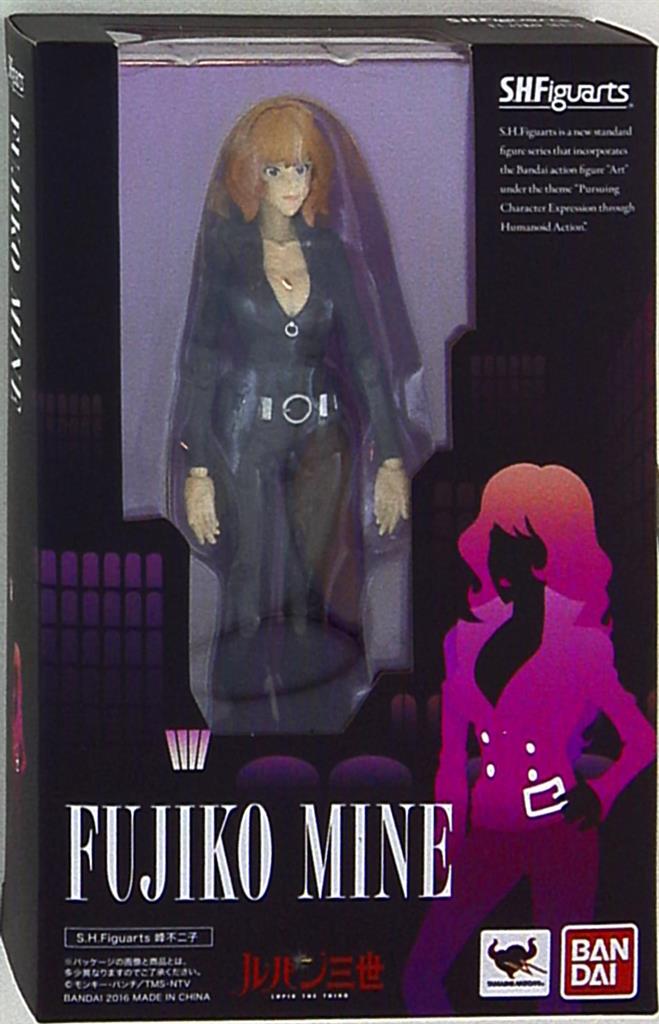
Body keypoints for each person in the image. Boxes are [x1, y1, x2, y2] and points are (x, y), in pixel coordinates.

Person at [172, 98, 419, 719]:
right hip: (243, 439)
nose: (291, 183)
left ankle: (326, 725)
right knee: (248, 588)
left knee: (321, 589)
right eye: (276, 169)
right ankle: (240, 728)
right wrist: (197, 471)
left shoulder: (331, 255)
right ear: (250, 176)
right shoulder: (227, 254)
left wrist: (391, 459)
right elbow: (199, 364)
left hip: (323, 441)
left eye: (302, 168)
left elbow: (367, 359)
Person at [403, 462, 656, 1013]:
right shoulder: (464, 638)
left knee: (562, 1000)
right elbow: (451, 760)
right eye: (492, 539)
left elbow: (642, 739)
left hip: (563, 834)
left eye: (510, 544)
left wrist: (601, 793)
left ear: (547, 552)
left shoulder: (584, 642)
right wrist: (445, 839)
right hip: (487, 830)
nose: (495, 557)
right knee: (419, 979)